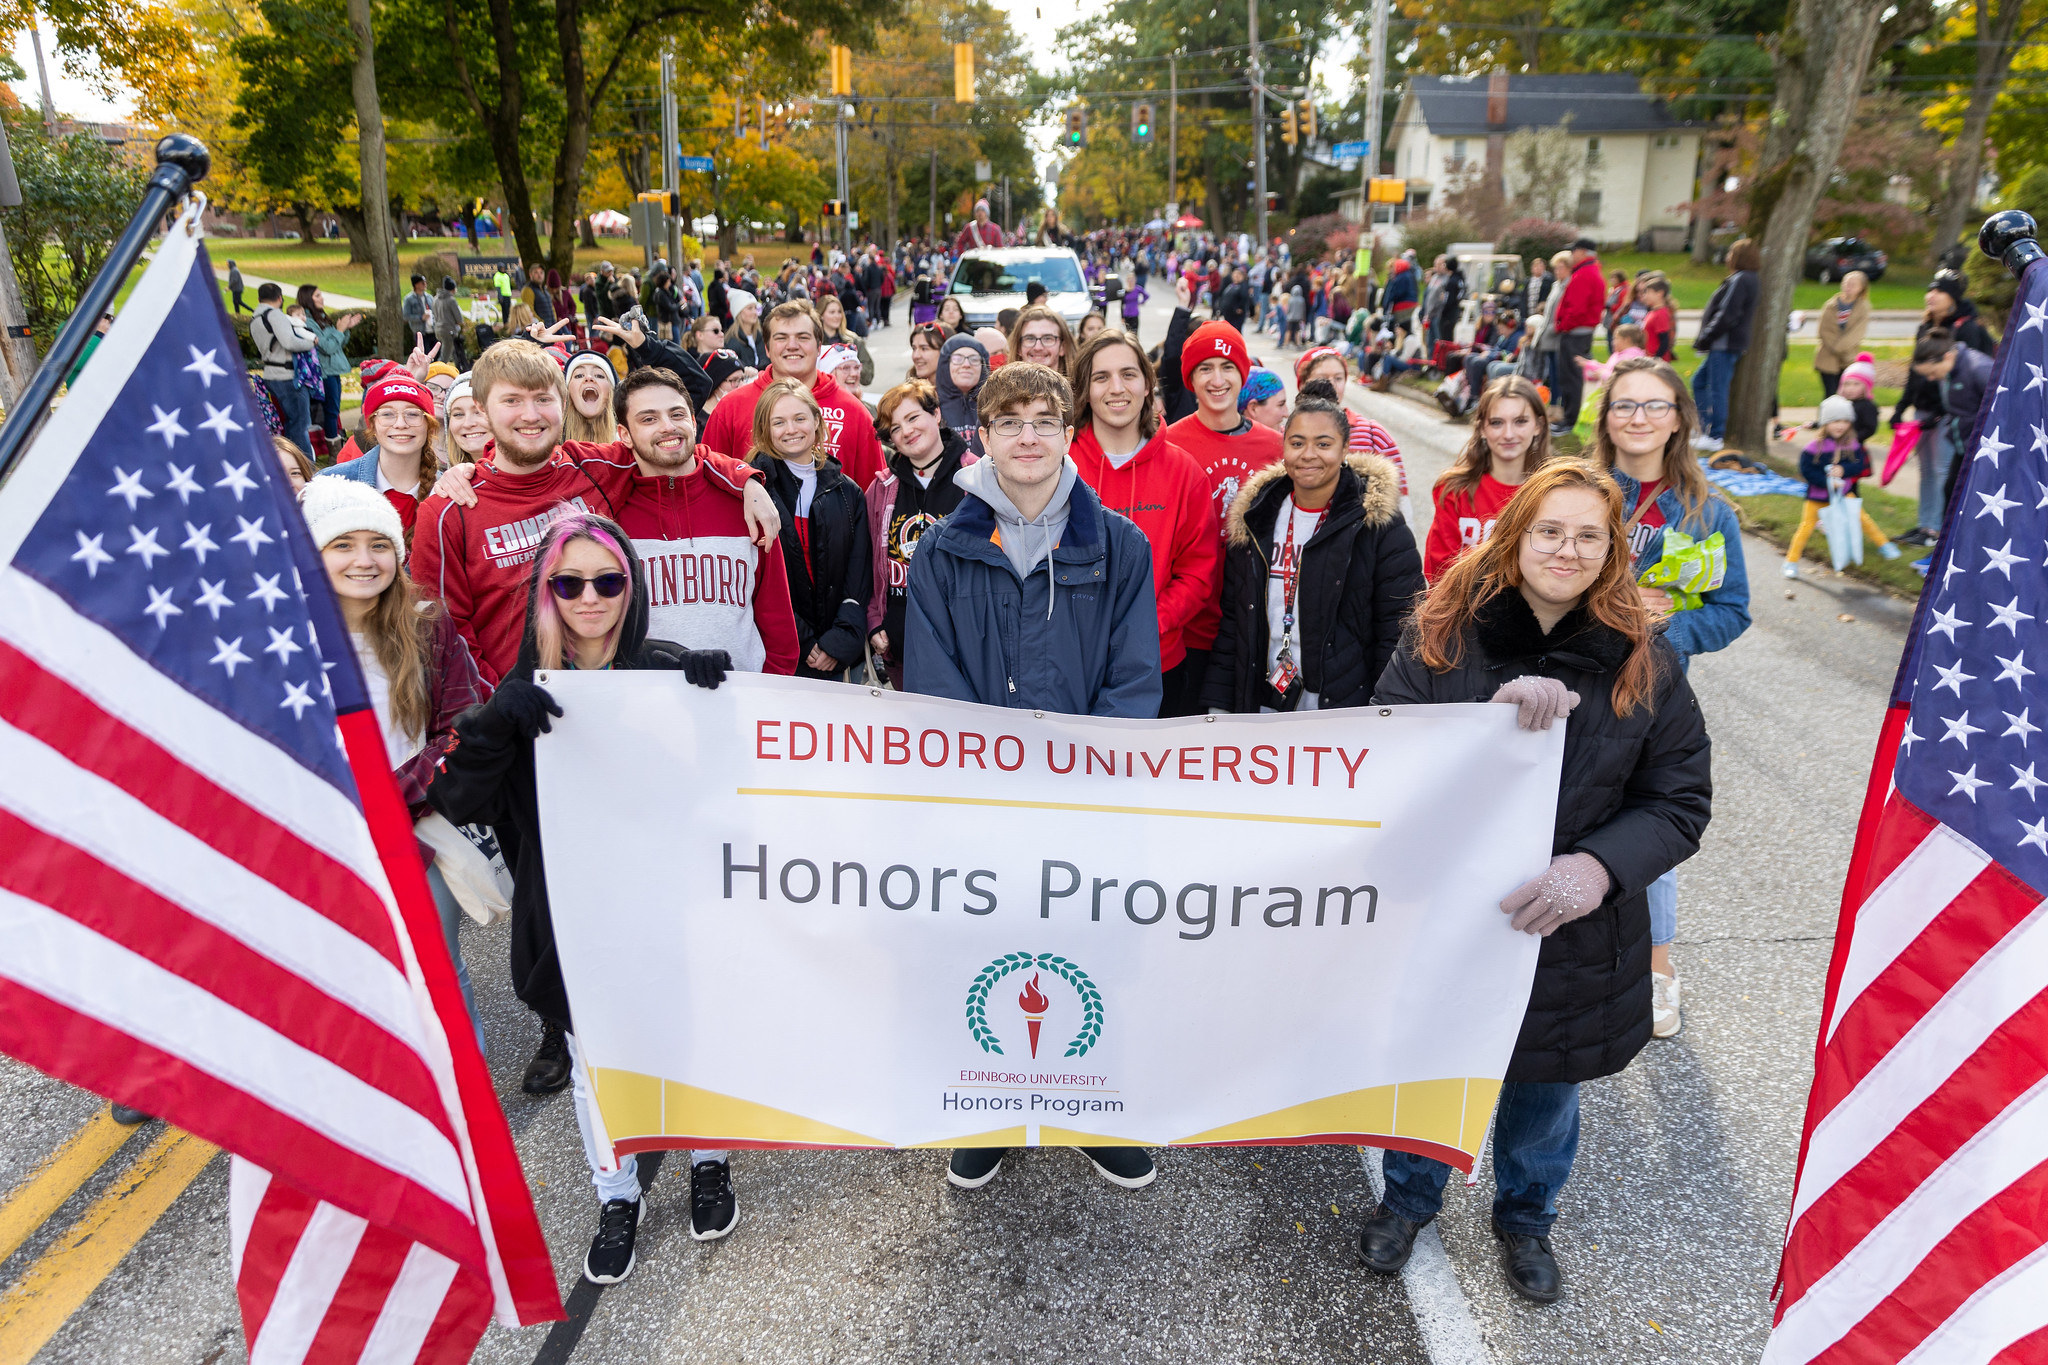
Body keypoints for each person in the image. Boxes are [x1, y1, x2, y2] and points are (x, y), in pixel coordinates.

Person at [1364, 459, 1713, 1304]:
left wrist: (1596, 868)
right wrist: (1485, 726)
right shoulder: (1445, 632)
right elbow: (1385, 759)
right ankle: (1410, 1197)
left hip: (1573, 928)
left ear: (1612, 549)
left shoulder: (1645, 659)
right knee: (1438, 1069)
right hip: (1454, 912)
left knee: (1543, 1087)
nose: (1567, 549)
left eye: (1589, 535)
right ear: (1516, 535)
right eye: (1550, 531)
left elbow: (1678, 799)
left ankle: (1526, 1216)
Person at [426, 512, 743, 1283]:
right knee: (592, 1058)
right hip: (572, 917)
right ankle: (616, 1192)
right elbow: (461, 799)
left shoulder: (667, 668)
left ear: (630, 586)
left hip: (671, 903)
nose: (591, 597)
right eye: (571, 582)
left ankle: (709, 1161)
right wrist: (495, 726)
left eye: (608, 580)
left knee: (690, 1034)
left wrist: (714, 700)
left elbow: (731, 784)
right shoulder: (522, 691)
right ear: (548, 593)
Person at [903, 360, 1160, 1192]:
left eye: (1043, 419)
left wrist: (1082, 778)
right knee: (988, 951)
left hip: (1085, 798)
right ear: (982, 434)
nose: (1027, 436)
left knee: (1088, 948)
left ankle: (1090, 1109)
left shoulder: (1117, 544)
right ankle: (990, 1110)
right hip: (985, 802)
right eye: (1008, 421)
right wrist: (988, 783)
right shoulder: (942, 549)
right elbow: (934, 684)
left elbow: (1133, 680)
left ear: (1066, 431)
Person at [1589, 357, 1751, 1037]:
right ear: (1605, 418)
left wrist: (1673, 626)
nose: (1639, 419)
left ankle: (1656, 965)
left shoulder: (1707, 509)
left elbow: (1733, 607)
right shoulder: (1580, 489)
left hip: (1654, 693)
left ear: (1680, 418)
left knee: (1649, 824)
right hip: (1576, 683)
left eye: (1656, 406)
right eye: (1625, 405)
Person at [305, 477, 490, 1041]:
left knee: (437, 978)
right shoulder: (283, 640)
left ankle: (466, 1114)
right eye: (342, 545)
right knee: (344, 990)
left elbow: (463, 727)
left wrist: (389, 799)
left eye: (379, 544)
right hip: (324, 842)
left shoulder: (427, 626)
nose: (364, 560)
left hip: (417, 834)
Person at [1202, 379, 1422, 715]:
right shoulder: (1255, 518)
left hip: (1341, 713)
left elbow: (1401, 629)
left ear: (1345, 448)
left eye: (1323, 443)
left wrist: (1385, 713)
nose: (1308, 455)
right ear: (1284, 446)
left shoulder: (1378, 526)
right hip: (1262, 706)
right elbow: (1234, 626)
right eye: (1297, 442)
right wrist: (1217, 707)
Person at [1067, 331, 1222, 717]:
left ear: (1148, 385)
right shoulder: (1059, 466)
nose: (1116, 388)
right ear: (1084, 390)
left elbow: (1198, 573)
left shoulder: (1184, 472)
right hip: (1068, 661)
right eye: (1101, 377)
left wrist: (1147, 624)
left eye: (1129, 374)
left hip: (1157, 661)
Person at [750, 379, 872, 681]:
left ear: (817, 421)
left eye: (799, 418)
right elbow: (756, 575)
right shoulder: (755, 490)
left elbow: (859, 571)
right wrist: (803, 640)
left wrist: (840, 639)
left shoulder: (847, 491)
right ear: (766, 429)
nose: (791, 429)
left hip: (839, 652)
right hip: (779, 652)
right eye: (778, 422)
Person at [701, 300, 885, 489]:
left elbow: (875, 497)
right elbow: (708, 485)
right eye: (781, 338)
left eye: (803, 337)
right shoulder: (731, 408)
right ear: (767, 348)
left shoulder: (854, 412)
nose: (792, 345)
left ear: (819, 345)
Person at [865, 380, 976, 687]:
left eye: (913, 418)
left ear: (936, 415)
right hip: (902, 645)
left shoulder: (977, 478)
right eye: (895, 428)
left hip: (967, 642)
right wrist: (875, 621)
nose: (907, 431)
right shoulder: (881, 489)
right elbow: (868, 561)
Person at [1424, 375, 1554, 583]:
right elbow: (1439, 573)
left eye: (1520, 421)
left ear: (1538, 425)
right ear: (1482, 428)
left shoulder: (1554, 494)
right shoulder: (1454, 490)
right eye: (1496, 423)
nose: (1508, 434)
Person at [1783, 394, 1900, 578]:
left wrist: (1843, 470)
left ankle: (1884, 545)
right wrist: (1825, 481)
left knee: (1863, 519)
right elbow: (1806, 470)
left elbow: (1858, 465)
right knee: (1805, 527)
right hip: (1817, 497)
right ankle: (1791, 561)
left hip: (1844, 494)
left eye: (1845, 421)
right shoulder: (1814, 447)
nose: (1840, 425)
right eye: (1835, 421)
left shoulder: (1852, 445)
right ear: (1825, 422)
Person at [1295, 346, 1410, 520]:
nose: (1332, 385)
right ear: (1303, 384)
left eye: (1338, 378)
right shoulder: (1287, 437)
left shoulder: (1374, 435)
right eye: (1322, 378)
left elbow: (1400, 500)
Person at [328, 374, 442, 534]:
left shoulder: (448, 489)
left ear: (429, 426)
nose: (400, 424)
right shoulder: (333, 484)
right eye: (387, 414)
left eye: (413, 414)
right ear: (372, 426)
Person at [1911, 326, 1996, 521]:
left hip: (1985, 448)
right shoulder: (1951, 368)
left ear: (1948, 356)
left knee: (1974, 501)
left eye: (1932, 372)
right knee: (1951, 494)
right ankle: (1948, 547)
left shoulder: (1979, 369)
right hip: (1962, 444)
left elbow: (2003, 410)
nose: (1931, 378)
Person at [1689, 238, 1759, 449]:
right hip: (1723, 344)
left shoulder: (1741, 279)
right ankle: (1703, 428)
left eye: (1731, 252)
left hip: (1724, 344)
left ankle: (1715, 435)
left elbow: (1728, 314)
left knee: (1718, 388)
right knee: (1699, 382)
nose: (1728, 257)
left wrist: (1706, 337)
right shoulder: (1745, 279)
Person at [251, 282, 319, 455]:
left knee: (290, 422)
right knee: (300, 424)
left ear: (259, 298)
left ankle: (289, 464)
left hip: (270, 373)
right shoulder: (275, 315)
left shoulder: (255, 318)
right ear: (280, 299)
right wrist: (311, 343)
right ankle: (304, 467)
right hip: (287, 375)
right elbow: (289, 342)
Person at [1551, 238, 1605, 435]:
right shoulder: (1588, 272)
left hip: (1575, 333)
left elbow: (1577, 309)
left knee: (1571, 377)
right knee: (1570, 376)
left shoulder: (1584, 274)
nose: (1572, 255)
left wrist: (1562, 325)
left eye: (1574, 251)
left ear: (1582, 252)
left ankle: (1570, 419)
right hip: (1578, 332)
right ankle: (1568, 417)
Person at [1813, 270, 1871, 399]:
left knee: (1847, 396)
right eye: (1846, 283)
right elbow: (1823, 330)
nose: (1848, 286)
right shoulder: (1830, 305)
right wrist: (1835, 348)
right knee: (1830, 395)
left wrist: (1840, 348)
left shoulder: (1863, 308)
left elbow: (1857, 333)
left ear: (1861, 288)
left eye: (1853, 284)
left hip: (1848, 358)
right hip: (1827, 357)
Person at [936, 333, 991, 457]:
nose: (966, 364)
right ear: (945, 364)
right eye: (957, 358)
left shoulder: (995, 404)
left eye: (974, 359)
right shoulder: (931, 405)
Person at [817, 294, 875, 388]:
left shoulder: (853, 341)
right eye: (832, 312)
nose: (837, 316)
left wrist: (851, 369)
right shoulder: (814, 342)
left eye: (839, 312)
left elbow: (868, 375)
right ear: (821, 315)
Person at [564, 350, 618, 444]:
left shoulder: (628, 443)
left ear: (611, 392)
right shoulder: (550, 441)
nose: (589, 377)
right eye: (579, 375)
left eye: (599, 375)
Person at [1008, 305, 1077, 378]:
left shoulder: (1082, 388)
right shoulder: (1003, 389)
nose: (1038, 347)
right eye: (1030, 338)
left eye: (1047, 338)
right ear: (1019, 347)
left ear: (1063, 347)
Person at [441, 375, 492, 465]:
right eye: (458, 414)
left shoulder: (523, 474)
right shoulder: (445, 478)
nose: (467, 423)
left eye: (479, 412)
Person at [433, 276, 468, 372]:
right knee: (445, 356)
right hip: (449, 330)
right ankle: (438, 372)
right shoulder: (451, 300)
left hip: (438, 329)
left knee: (447, 352)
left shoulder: (435, 299)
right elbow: (459, 318)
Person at [726, 290, 768, 370]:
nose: (755, 312)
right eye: (750, 308)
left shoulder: (761, 335)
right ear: (739, 313)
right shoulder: (731, 342)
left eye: (755, 308)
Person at [403, 274, 432, 349]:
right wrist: (420, 317)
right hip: (420, 332)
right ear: (416, 285)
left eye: (425, 282)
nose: (425, 284)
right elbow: (406, 316)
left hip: (432, 330)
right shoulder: (409, 299)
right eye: (422, 283)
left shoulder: (429, 297)